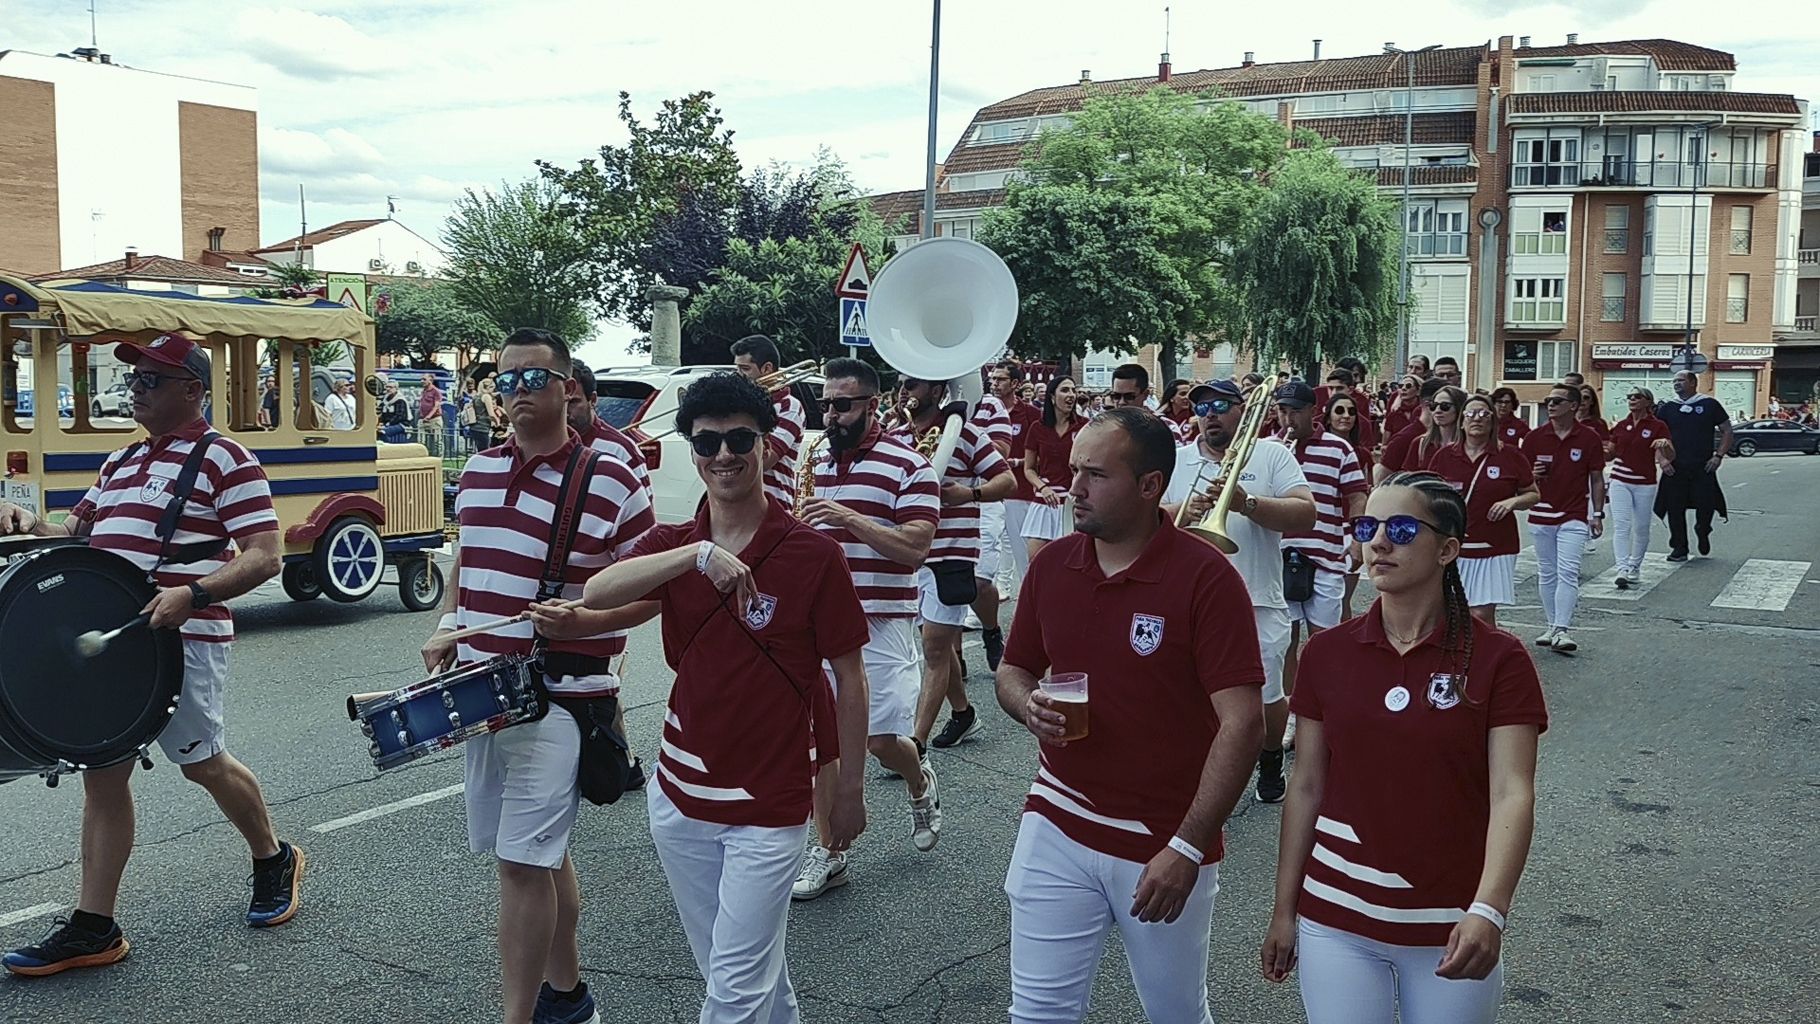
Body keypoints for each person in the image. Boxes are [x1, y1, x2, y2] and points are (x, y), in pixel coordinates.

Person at [0, 331, 298, 977]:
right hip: (111, 645)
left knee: (202, 763)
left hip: (181, 641)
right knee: (103, 775)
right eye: (132, 381)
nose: (133, 390)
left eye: (149, 381)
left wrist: (194, 592)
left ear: (191, 389)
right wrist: (28, 525)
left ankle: (273, 855)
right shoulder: (120, 463)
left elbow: (264, 555)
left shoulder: (228, 460)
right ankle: (94, 926)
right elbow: (74, 536)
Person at [581, 372, 870, 1024]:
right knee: (738, 968)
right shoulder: (678, 547)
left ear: (767, 445)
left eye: (740, 438)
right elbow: (598, 593)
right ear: (691, 450)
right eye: (707, 441)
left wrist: (848, 788)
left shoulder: (814, 554)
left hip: (770, 806)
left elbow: (851, 677)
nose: (723, 455)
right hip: (679, 799)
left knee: (733, 993)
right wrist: (695, 556)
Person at [995, 407, 1265, 1024]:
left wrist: (1188, 846)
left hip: (1162, 838)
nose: (1075, 488)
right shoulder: (1052, 566)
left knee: (1174, 1014)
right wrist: (1026, 705)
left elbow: (1243, 723)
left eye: (1095, 474)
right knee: (1037, 1012)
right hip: (1057, 816)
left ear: (1150, 486)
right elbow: (1013, 671)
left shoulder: (1206, 579)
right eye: (1073, 471)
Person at [420, 328, 655, 1024]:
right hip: (480, 693)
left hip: (559, 698)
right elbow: (468, 562)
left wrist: (582, 622)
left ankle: (518, 1016)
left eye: (532, 378)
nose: (516, 391)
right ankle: (570, 995)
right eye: (505, 379)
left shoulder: (612, 475)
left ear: (568, 389)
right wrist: (444, 624)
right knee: (536, 856)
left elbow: (654, 589)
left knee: (522, 865)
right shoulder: (481, 472)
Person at [1261, 472, 1547, 1024]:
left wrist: (1490, 909)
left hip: (1450, 923)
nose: (1378, 542)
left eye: (1400, 528)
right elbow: (1307, 785)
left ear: (1447, 549)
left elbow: (1513, 792)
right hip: (1336, 916)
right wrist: (1284, 910)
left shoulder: (1499, 660)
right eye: (1368, 526)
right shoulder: (1327, 653)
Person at [790, 358, 942, 899]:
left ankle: (919, 780)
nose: (830, 415)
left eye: (843, 405)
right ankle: (829, 849)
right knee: (821, 741)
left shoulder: (911, 467)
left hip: (881, 619)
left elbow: (915, 549)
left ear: (872, 405)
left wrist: (849, 518)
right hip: (816, 622)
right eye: (825, 404)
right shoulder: (812, 460)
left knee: (877, 740)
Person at [1164, 378, 1317, 804]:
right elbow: (1143, 517)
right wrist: (1180, 511)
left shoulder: (1272, 454)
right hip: (1189, 601)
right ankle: (1209, 782)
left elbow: (1306, 513)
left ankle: (1269, 755)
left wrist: (1246, 504)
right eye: (1200, 408)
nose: (1208, 414)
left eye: (1218, 404)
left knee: (1266, 699)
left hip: (1258, 598)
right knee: (1197, 699)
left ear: (1240, 409)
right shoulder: (1176, 460)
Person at [888, 376, 1014, 751]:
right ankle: (963, 713)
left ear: (938, 391)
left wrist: (969, 493)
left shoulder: (967, 433)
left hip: (952, 554)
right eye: (901, 384)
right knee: (934, 647)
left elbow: (1006, 481)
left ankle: (915, 740)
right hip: (911, 554)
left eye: (913, 384)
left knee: (936, 648)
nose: (903, 391)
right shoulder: (895, 437)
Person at [1274, 381, 1368, 745]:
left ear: (1314, 411)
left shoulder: (1338, 448)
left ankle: (1329, 711)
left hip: (1325, 555)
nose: (1288, 417)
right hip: (1279, 555)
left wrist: (1357, 539)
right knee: (1285, 640)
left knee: (1325, 641)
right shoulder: (1269, 448)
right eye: (1283, 409)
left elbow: (1356, 496)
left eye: (1295, 410)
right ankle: (1293, 714)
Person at [1427, 394, 1539, 626]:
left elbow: (1533, 494)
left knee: (1481, 616)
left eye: (1483, 414)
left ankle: (1485, 661)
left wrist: (1512, 502)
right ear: (1461, 421)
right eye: (1470, 414)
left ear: (1492, 421)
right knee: (1452, 613)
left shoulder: (1510, 456)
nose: (1476, 419)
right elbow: (1429, 496)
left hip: (1495, 546)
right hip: (1454, 546)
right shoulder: (1444, 456)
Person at [1520, 383, 1605, 653]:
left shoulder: (1588, 438)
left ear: (1574, 405)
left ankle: (1562, 629)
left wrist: (1598, 513)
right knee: (1547, 572)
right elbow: (1521, 480)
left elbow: (1596, 478)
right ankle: (1551, 625)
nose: (1551, 404)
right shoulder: (1535, 437)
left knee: (1568, 571)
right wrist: (1533, 475)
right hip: (1541, 512)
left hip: (1574, 514)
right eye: (1548, 400)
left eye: (1557, 400)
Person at [1654, 370, 1732, 561]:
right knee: (1674, 508)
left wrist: (1719, 455)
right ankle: (1680, 547)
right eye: (1674, 381)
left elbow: (1727, 430)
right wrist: (1663, 460)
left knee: (1706, 505)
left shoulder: (1709, 405)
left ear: (1692, 382)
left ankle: (1703, 529)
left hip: (1703, 466)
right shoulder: (1667, 408)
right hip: (1675, 467)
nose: (1676, 383)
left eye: (1680, 380)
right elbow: (1656, 437)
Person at [1606, 388, 1673, 589]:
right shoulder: (1621, 425)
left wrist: (1665, 445)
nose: (1632, 399)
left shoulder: (1658, 426)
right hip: (1619, 479)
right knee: (1621, 525)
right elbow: (1609, 454)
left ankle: (1635, 565)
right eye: (1629, 397)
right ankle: (1622, 568)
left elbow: (1670, 455)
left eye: (1637, 397)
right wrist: (1606, 451)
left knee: (1642, 526)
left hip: (1645, 481)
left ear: (1648, 402)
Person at [730, 334, 806, 508]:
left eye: (745, 369)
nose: (738, 376)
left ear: (767, 369)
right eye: (737, 369)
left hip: (774, 505)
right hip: (737, 506)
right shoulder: (740, 405)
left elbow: (764, 461)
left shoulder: (789, 407)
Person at [1021, 375, 1085, 561]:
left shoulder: (1085, 427)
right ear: (1051, 397)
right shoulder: (1037, 428)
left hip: (1073, 502)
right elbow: (1029, 469)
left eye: (1073, 390)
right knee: (1036, 560)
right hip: (1044, 501)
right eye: (1065, 390)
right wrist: (1043, 487)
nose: (1071, 395)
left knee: (1070, 561)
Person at [992, 361, 1043, 590]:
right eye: (993, 379)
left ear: (1015, 383)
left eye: (1000, 379)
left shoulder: (1032, 414)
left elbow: (1043, 454)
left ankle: (1028, 596)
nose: (994, 383)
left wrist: (1016, 462)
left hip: (1019, 491)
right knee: (990, 545)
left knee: (1022, 549)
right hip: (990, 490)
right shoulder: (982, 411)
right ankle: (998, 588)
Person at [568, 359, 651, 498]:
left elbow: (644, 513)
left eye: (573, 402)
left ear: (593, 400)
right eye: (560, 401)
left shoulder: (620, 450)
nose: (564, 410)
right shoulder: (541, 444)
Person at [1324, 392, 1371, 620]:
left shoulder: (1362, 453)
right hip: (1324, 530)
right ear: (1328, 416)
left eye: (1352, 411)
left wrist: (1360, 537)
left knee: (1343, 600)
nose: (1346, 416)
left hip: (1350, 529)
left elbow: (1364, 494)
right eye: (1339, 411)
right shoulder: (1315, 447)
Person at [1377, 379, 1450, 481]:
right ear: (1430, 405)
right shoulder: (1404, 439)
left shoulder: (1452, 437)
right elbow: (1381, 482)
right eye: (1446, 406)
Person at [1383, 375, 1424, 442]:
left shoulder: (1424, 413)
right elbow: (1385, 444)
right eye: (1401, 386)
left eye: (1408, 386)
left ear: (1418, 391)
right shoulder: (1394, 414)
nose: (1403, 388)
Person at [1161, 378, 1199, 446]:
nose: (1187, 397)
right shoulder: (1162, 419)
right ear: (1172, 398)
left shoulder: (1196, 418)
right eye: (1183, 394)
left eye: (1189, 394)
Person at [418, 374, 445, 455]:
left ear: (430, 380)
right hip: (423, 418)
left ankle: (440, 456)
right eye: (421, 379)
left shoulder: (436, 391)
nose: (422, 381)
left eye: (424, 379)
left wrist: (429, 416)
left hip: (434, 418)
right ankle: (422, 456)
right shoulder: (423, 391)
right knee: (420, 441)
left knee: (437, 441)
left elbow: (436, 406)